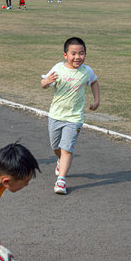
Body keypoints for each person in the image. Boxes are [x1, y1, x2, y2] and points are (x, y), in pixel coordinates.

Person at [40, 37, 100, 195]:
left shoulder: (87, 71)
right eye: (73, 53)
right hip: (56, 115)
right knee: (56, 147)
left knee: (67, 148)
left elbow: (94, 82)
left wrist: (96, 100)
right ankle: (60, 161)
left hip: (74, 118)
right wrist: (47, 81)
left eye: (81, 53)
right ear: (65, 55)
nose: (77, 57)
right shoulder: (58, 68)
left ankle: (61, 180)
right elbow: (44, 84)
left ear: (85, 54)